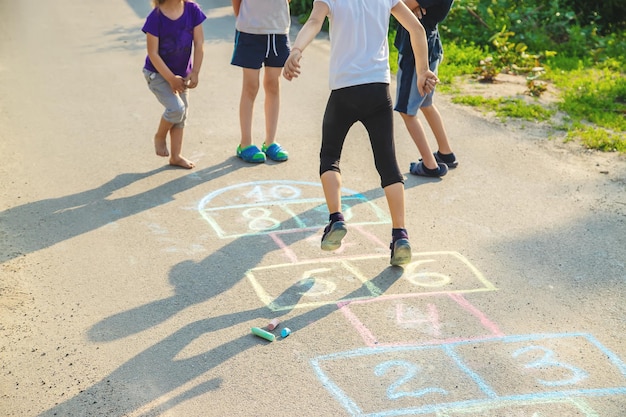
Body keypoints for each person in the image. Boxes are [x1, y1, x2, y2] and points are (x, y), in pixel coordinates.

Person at [283, 0, 439, 266]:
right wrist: (423, 69)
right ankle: (400, 235)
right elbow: (417, 29)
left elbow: (313, 22)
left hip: (344, 90)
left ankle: (336, 219)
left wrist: (296, 50)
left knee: (330, 156)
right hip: (378, 89)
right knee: (388, 165)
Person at [395, 0, 457, 177]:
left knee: (407, 111)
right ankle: (446, 153)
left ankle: (430, 165)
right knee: (426, 103)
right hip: (429, 46)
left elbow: (395, 5)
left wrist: (405, 5)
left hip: (416, 55)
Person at [142, 0, 206, 169]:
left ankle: (176, 156)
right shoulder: (155, 17)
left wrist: (196, 71)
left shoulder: (192, 9)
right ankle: (160, 136)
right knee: (176, 109)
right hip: (157, 74)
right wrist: (171, 79)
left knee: (181, 115)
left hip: (182, 74)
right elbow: (153, 53)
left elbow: (199, 43)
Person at [231, 0, 291, 163]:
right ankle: (245, 144)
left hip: (278, 31)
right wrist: (245, 20)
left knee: (273, 85)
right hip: (250, 31)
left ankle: (270, 142)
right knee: (251, 86)